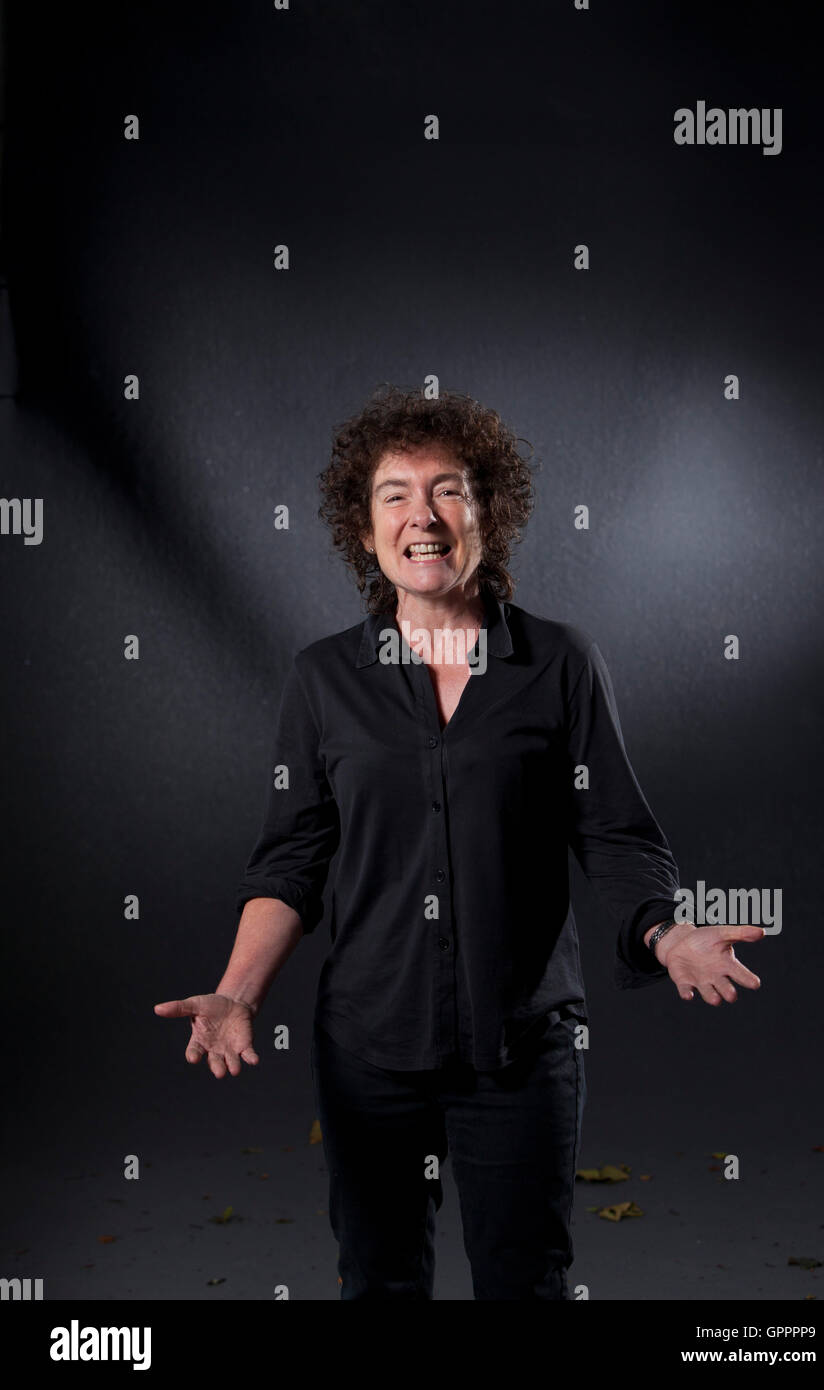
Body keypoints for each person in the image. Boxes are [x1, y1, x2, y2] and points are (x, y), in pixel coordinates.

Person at [154, 385, 764, 1300]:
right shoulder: (323, 679)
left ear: (489, 513)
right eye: (394, 494)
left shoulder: (560, 664)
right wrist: (238, 994)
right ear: (364, 531)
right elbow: (292, 859)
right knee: (379, 1279)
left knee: (526, 1282)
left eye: (450, 490)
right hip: (368, 1049)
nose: (423, 515)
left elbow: (615, 831)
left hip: (522, 1048)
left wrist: (665, 930)